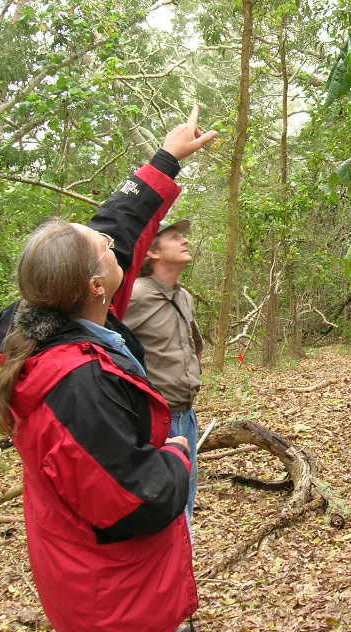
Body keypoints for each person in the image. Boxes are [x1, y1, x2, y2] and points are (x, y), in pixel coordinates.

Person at [0, 108, 217, 632]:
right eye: (106, 253)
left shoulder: (50, 319)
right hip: (116, 600)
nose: (114, 244)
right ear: (95, 285)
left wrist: (166, 160)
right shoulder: (76, 383)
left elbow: (111, 225)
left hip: (112, 578)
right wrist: (178, 455)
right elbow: (137, 500)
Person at [124, 218, 206, 526]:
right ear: (152, 253)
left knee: (185, 501)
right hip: (155, 420)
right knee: (165, 511)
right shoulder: (135, 295)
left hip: (187, 416)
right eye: (174, 237)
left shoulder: (183, 296)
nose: (184, 241)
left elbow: (195, 344)